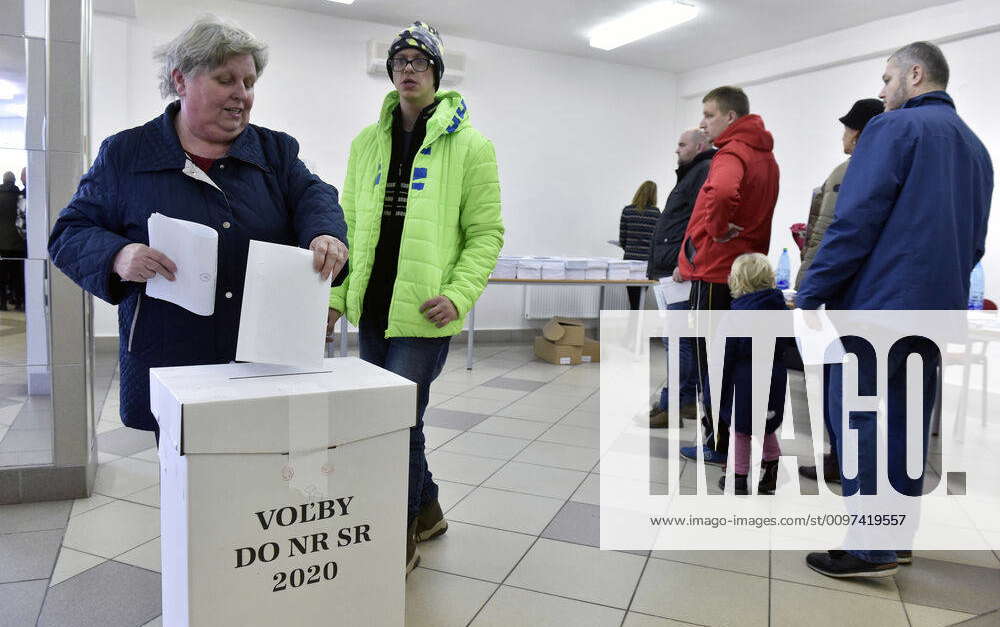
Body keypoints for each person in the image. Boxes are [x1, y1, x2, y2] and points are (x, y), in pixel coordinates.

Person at [48, 16, 348, 442]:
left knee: (264, 481)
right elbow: (69, 233)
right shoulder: (126, 154)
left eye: (248, 81)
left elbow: (315, 196)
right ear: (181, 81)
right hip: (172, 356)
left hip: (262, 356)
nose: (241, 95)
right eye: (226, 79)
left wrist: (324, 233)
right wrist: (118, 255)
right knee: (191, 485)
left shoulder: (275, 151)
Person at [797, 41, 993, 577]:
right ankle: (896, 537)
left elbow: (855, 221)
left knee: (860, 421)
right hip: (932, 313)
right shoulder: (977, 150)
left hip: (878, 307)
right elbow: (974, 244)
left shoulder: (893, 130)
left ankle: (869, 545)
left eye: (886, 80)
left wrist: (812, 288)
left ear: (914, 73)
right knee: (906, 428)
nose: (881, 92)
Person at [327, 21, 503, 576]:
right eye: (400, 60)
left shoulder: (471, 146)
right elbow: (348, 224)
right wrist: (336, 295)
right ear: (390, 71)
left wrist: (459, 293)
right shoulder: (365, 143)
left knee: (395, 423)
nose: (408, 68)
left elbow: (486, 233)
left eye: (420, 61)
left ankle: (398, 532)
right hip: (373, 308)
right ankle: (426, 510)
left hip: (424, 315)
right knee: (395, 419)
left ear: (436, 74)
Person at [674, 86, 780, 466]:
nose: (703, 123)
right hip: (746, 276)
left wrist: (716, 231)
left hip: (717, 271)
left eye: (709, 114)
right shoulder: (766, 157)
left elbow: (720, 194)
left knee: (710, 362)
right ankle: (738, 440)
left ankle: (717, 443)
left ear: (731, 117)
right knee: (739, 363)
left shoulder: (731, 153)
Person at [795, 97, 883, 484]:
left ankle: (840, 462)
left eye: (848, 127)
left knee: (839, 392)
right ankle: (838, 459)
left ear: (860, 133)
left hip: (837, 296)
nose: (843, 134)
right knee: (847, 392)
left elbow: (828, 235)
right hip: (856, 296)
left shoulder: (849, 172)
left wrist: (808, 288)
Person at [647, 129, 715, 428]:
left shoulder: (703, 170)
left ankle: (672, 404)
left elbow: (702, 222)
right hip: (670, 269)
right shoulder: (691, 173)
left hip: (679, 270)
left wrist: (687, 261)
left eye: (681, 144)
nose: (677, 150)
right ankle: (682, 400)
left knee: (677, 339)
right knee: (676, 338)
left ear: (699, 146)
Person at [717, 253, 789, 494]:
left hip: (744, 382)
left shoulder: (735, 317)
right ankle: (772, 470)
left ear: (738, 282)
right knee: (766, 425)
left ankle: (738, 478)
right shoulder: (781, 311)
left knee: (741, 429)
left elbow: (724, 357)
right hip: (774, 379)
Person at [619, 181, 660, 309]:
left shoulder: (627, 211)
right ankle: (636, 326)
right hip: (646, 263)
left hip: (630, 261)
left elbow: (622, 239)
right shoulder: (656, 213)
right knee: (640, 298)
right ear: (654, 195)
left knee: (633, 299)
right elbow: (656, 240)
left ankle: (633, 325)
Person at [0, 171, 26, 310]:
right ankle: (18, 301)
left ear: (4, 180)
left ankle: (2, 302)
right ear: (14, 180)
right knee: (17, 275)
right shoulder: (19, 196)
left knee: (2, 275)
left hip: (2, 243)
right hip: (18, 243)